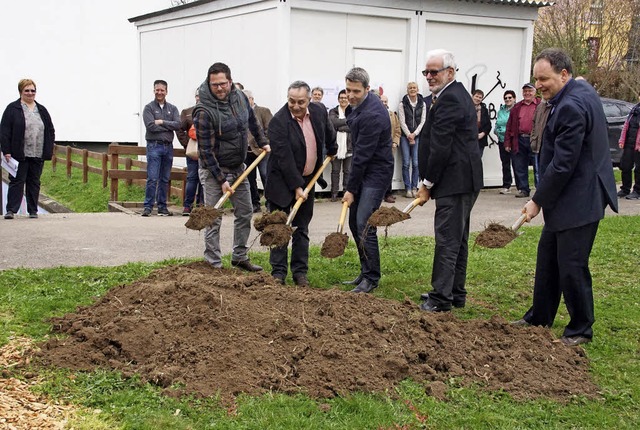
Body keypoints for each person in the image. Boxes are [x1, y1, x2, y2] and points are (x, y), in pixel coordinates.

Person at [513, 48, 618, 346]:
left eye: (544, 79)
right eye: (536, 79)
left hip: (580, 198)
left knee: (572, 265)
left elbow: (563, 164)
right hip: (569, 197)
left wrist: (537, 200)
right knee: (548, 258)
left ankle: (581, 327)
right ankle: (540, 317)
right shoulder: (580, 89)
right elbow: (584, 83)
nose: (539, 85)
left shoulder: (571, 105)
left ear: (564, 74)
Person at [416, 49, 484, 312]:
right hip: (461, 180)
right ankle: (455, 292)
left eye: (435, 72)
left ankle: (441, 298)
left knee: (447, 239)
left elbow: (441, 146)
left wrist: (428, 183)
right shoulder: (451, 95)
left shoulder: (451, 99)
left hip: (455, 181)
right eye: (427, 72)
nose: (430, 77)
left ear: (450, 72)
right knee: (457, 238)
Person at [192, 62, 270, 271]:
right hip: (213, 171)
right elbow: (206, 152)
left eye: (223, 84)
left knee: (244, 212)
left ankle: (239, 256)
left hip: (238, 167)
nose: (219, 88)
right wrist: (221, 180)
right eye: (214, 84)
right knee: (213, 217)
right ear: (209, 83)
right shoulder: (203, 111)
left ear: (230, 81)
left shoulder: (240, 97)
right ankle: (213, 264)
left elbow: (252, 121)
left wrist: (262, 141)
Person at [265, 81, 337, 286]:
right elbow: (283, 158)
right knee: (279, 227)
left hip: (308, 179)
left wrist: (332, 148)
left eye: (301, 102)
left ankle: (300, 272)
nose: (296, 106)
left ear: (309, 100)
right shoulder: (278, 122)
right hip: (281, 181)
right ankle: (278, 273)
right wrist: (297, 187)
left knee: (301, 227)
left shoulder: (318, 111)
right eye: (291, 101)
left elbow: (327, 132)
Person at [341, 67, 394, 293]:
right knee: (354, 223)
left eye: (356, 91)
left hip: (376, 174)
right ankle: (365, 270)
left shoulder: (372, 114)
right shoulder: (360, 107)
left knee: (364, 224)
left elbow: (361, 156)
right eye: (348, 90)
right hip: (365, 169)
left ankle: (371, 278)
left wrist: (350, 189)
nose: (351, 95)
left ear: (367, 89)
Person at [1, 79, 55, 219]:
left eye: (32, 90)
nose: (30, 93)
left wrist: (48, 150)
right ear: (21, 92)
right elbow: (5, 131)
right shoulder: (12, 109)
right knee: (17, 181)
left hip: (37, 152)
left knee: (34, 181)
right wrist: (6, 150)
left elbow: (50, 130)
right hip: (19, 153)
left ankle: (32, 210)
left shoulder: (41, 110)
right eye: (27, 90)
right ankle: (11, 210)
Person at [141, 79, 181, 217]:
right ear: (154, 91)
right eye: (157, 90)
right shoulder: (149, 108)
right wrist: (168, 127)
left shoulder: (173, 109)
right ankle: (148, 207)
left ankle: (162, 207)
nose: (159, 92)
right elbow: (150, 126)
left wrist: (162, 122)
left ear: (166, 91)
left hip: (168, 147)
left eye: (162, 90)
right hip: (154, 146)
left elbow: (178, 125)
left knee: (165, 178)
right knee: (152, 178)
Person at [504, 83, 541, 198]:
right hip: (519, 139)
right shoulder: (517, 107)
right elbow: (509, 126)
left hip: (535, 139)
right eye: (525, 91)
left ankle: (540, 191)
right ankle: (523, 189)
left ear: (534, 92)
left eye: (530, 91)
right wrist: (507, 142)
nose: (527, 93)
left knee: (537, 166)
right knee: (520, 166)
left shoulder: (541, 105)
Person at [243, 89, 273, 212]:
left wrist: (264, 143)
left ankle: (270, 203)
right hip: (246, 152)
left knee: (266, 176)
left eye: (245, 100)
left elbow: (270, 129)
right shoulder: (240, 113)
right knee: (249, 178)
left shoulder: (263, 111)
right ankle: (254, 203)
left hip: (262, 151)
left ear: (251, 99)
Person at [176, 88, 204, 216]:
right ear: (195, 96)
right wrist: (187, 143)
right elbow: (179, 129)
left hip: (208, 150)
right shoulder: (187, 112)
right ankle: (187, 206)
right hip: (193, 150)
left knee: (205, 178)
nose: (199, 98)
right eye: (198, 95)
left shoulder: (212, 111)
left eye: (202, 95)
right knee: (192, 177)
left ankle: (202, 205)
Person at [398, 82, 427, 198]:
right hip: (405, 137)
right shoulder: (402, 104)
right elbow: (402, 121)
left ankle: (415, 187)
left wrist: (414, 134)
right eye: (410, 88)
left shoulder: (422, 104)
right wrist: (409, 134)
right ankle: (408, 188)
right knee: (405, 163)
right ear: (407, 90)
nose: (412, 90)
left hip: (417, 136)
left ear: (418, 89)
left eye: (414, 88)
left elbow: (423, 121)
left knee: (416, 163)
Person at [328, 90, 353, 202]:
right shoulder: (333, 111)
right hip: (336, 146)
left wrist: (339, 127)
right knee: (335, 171)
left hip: (349, 146)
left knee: (348, 171)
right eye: (341, 98)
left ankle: (345, 192)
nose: (343, 99)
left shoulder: (352, 110)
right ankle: (334, 193)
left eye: (345, 97)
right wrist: (345, 123)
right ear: (338, 99)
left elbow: (353, 126)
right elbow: (332, 123)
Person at [617, 101, 640, 200]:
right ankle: (625, 189)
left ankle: (637, 191)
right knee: (625, 166)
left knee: (638, 169)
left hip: (638, 145)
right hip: (629, 143)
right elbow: (626, 125)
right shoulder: (634, 109)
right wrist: (622, 140)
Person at [494, 90, 516, 194]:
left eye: (510, 97)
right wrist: (497, 132)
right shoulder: (501, 110)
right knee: (505, 163)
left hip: (513, 140)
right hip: (502, 140)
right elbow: (498, 123)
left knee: (517, 164)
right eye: (506, 98)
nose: (507, 99)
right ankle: (506, 185)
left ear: (514, 98)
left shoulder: (517, 110)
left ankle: (521, 186)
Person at [381, 94, 401, 203]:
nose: (384, 103)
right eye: (382, 101)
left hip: (390, 148)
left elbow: (398, 130)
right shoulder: (375, 114)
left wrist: (395, 142)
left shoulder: (392, 115)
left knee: (389, 171)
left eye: (385, 101)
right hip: (379, 148)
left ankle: (388, 194)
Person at [472, 89, 492, 157]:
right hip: (468, 140)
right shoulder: (466, 108)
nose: (478, 99)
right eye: (476, 96)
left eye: (480, 97)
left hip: (480, 141)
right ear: (472, 96)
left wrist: (483, 133)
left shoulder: (484, 110)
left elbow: (488, 125)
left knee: (477, 162)